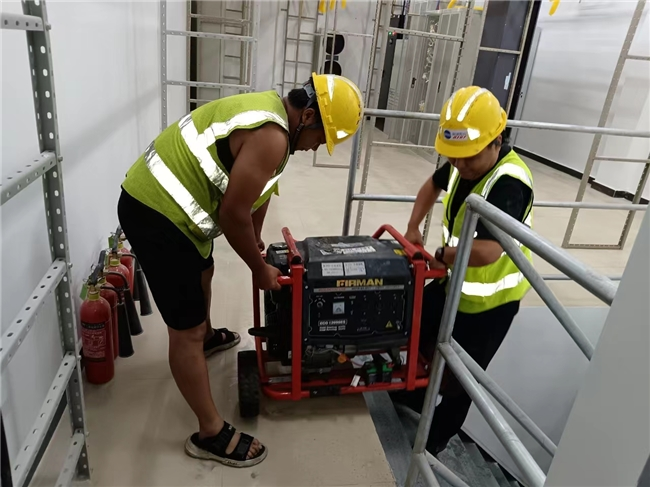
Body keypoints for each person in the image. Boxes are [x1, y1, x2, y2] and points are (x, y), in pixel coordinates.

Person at [118, 74, 363, 467]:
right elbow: (232, 213)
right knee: (185, 330)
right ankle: (209, 432)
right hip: (155, 212)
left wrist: (257, 239)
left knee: (205, 269)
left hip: (176, 212)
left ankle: (207, 337)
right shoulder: (273, 136)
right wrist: (258, 267)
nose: (318, 146)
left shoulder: (277, 121)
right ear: (308, 116)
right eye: (322, 137)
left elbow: (259, 193)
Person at [392, 86, 534, 455]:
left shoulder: (509, 183)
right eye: (453, 157)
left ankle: (433, 443)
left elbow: (488, 251)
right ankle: (414, 395)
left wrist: (443, 254)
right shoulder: (463, 158)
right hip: (452, 285)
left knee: (462, 380)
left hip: (490, 305)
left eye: (468, 158)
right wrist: (413, 226)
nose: (459, 165)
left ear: (496, 141)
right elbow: (432, 185)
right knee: (416, 331)